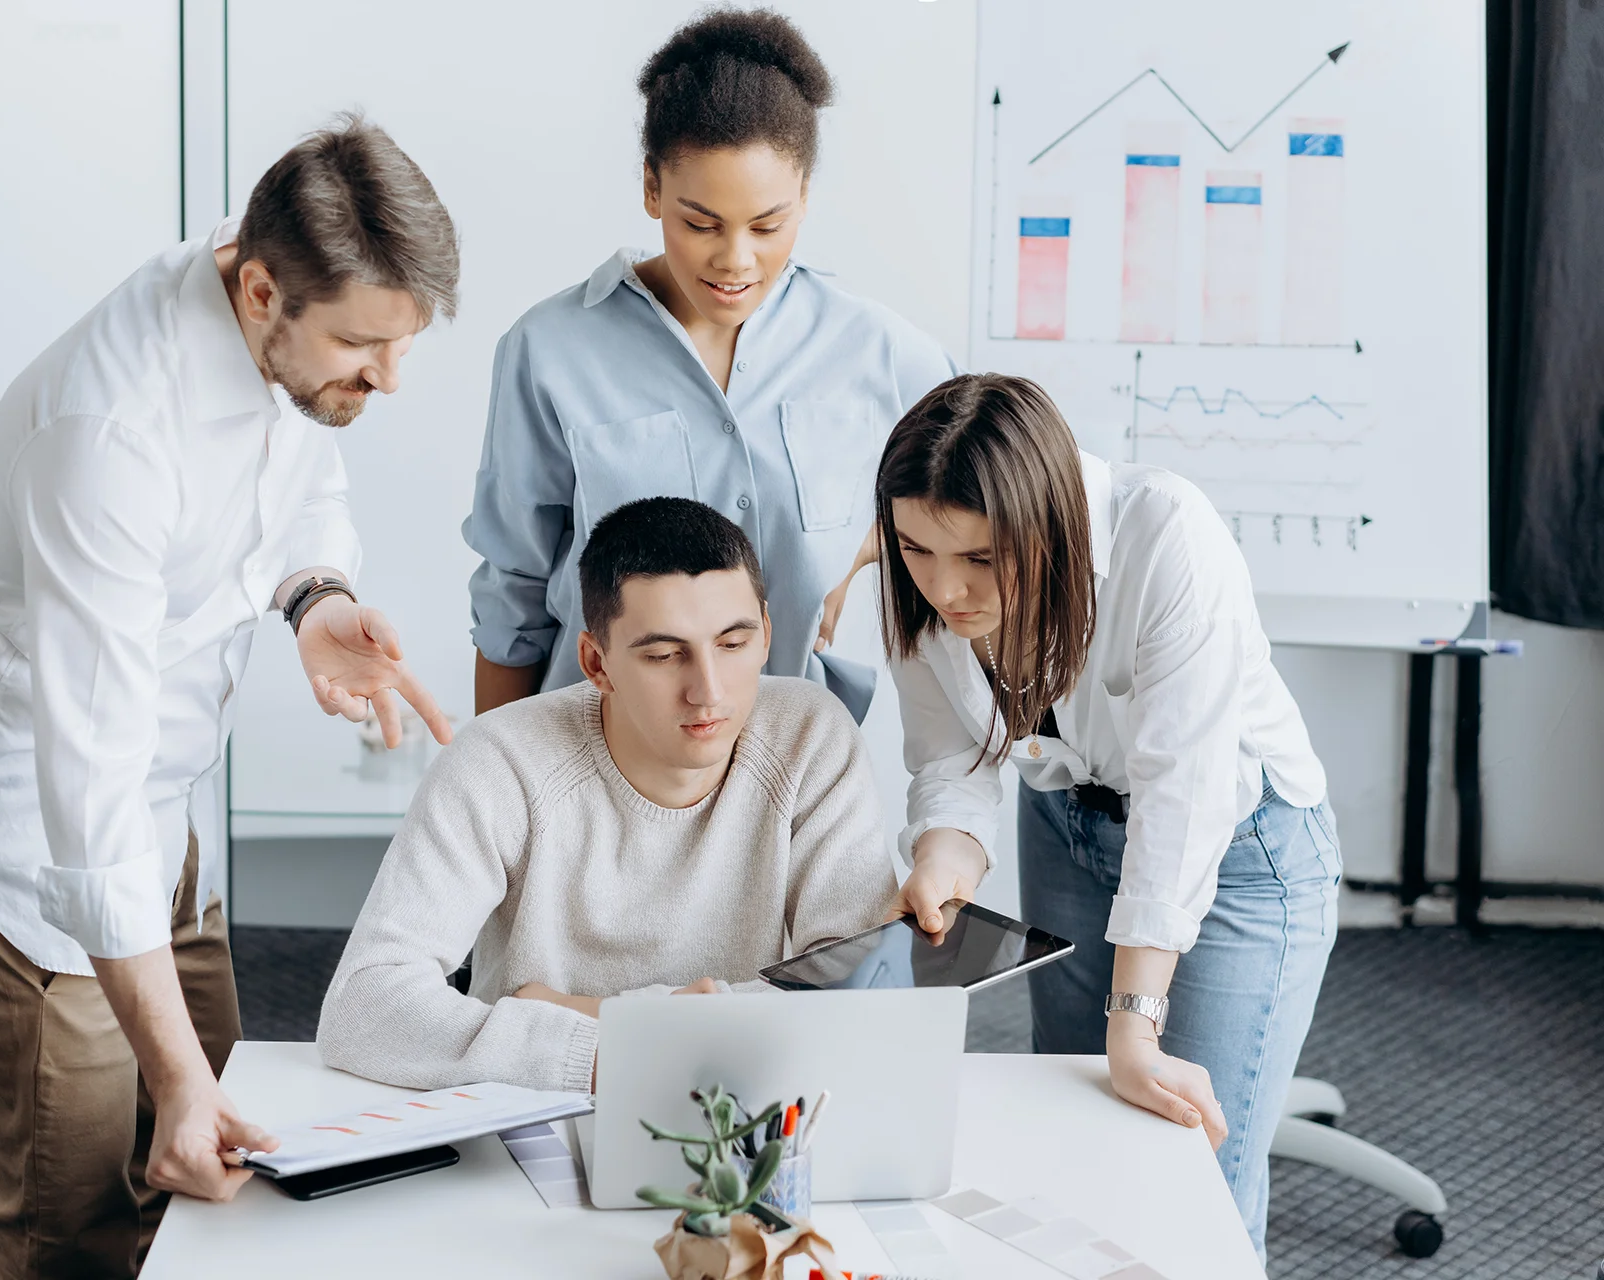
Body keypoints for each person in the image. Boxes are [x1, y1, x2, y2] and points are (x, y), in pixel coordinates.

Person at [0, 118, 458, 1279]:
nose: (387, 379)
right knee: (83, 1232)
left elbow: (305, 483)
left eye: (403, 346)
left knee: (223, 1179)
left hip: (167, 827)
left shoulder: (272, 320)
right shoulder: (104, 433)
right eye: (365, 347)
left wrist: (317, 600)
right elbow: (86, 781)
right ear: (261, 291)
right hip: (37, 859)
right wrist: (171, 1072)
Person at [879, 373, 1339, 1260]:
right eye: (916, 550)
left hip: (1238, 846)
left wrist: (1135, 1021)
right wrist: (945, 861)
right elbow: (951, 758)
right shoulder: (921, 570)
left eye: (979, 560)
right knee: (1077, 1122)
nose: (945, 590)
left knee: (1188, 1165)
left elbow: (1184, 794)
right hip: (1065, 821)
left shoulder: (1169, 536)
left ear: (1045, 523)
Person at [464, 7, 956, 724]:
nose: (735, 260)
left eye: (767, 225)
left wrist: (864, 547)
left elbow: (985, 502)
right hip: (588, 758)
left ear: (806, 197)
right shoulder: (549, 351)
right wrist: (495, 795)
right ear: (651, 189)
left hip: (783, 765)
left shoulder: (879, 350)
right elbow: (511, 595)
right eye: (701, 224)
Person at [319, 497, 900, 1091]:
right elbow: (363, 1005)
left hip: (747, 1125)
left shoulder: (812, 737)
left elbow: (858, 997)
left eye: (733, 645)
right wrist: (617, 1053)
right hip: (531, 1120)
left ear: (767, 633)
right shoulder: (501, 759)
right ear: (597, 662)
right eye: (664, 655)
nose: (708, 691)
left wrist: (585, 1010)